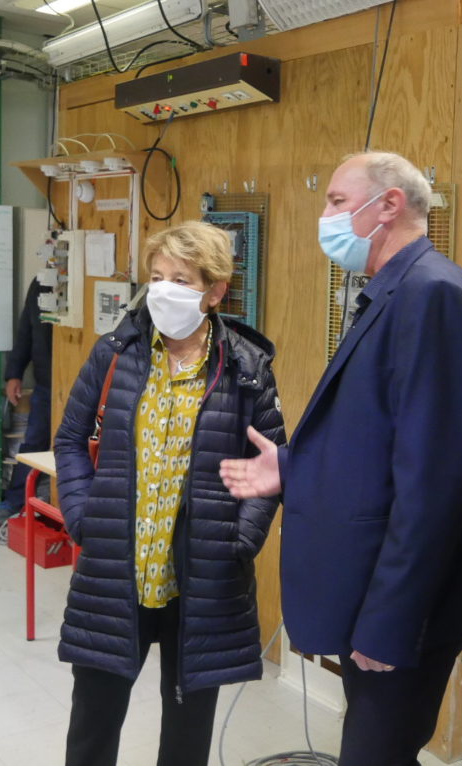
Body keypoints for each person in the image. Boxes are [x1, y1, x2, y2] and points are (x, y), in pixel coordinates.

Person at [220, 151, 462, 766]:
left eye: (336, 201)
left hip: (404, 607)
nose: (324, 214)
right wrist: (292, 467)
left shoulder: (432, 296)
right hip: (372, 588)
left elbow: (436, 480)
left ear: (390, 205)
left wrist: (389, 621)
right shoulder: (394, 292)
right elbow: (379, 442)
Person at [53, 221, 285, 766]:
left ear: (214, 292)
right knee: (92, 729)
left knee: (185, 742)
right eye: (156, 276)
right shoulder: (116, 353)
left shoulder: (246, 371)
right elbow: (68, 438)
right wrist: (83, 517)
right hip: (116, 575)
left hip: (200, 583)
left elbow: (270, 466)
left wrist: (240, 540)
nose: (161, 290)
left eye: (180, 279)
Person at [0, 276, 52, 526]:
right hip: (47, 382)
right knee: (33, 444)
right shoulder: (40, 282)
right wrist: (14, 373)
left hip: (79, 382)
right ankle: (15, 503)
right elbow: (27, 329)